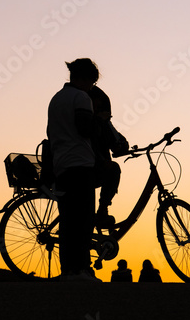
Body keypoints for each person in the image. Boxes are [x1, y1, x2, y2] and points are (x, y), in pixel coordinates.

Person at [47, 58, 101, 282]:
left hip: (61, 165)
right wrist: (100, 125)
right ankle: (81, 269)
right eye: (92, 82)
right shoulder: (81, 97)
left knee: (68, 219)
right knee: (84, 218)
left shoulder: (56, 99)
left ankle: (68, 270)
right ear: (86, 79)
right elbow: (84, 128)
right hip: (80, 163)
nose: (92, 87)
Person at [88, 85, 129, 228]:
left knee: (111, 170)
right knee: (113, 170)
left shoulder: (104, 123)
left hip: (94, 166)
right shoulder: (91, 122)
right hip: (89, 167)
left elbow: (117, 138)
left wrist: (122, 145)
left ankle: (102, 212)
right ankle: (102, 210)